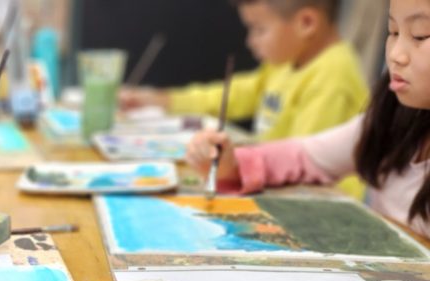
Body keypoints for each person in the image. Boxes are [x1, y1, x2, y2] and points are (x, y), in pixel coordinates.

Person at [184, 0, 430, 240]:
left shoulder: (333, 76)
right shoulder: (389, 117)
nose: (396, 55)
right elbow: (305, 157)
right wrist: (234, 164)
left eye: (420, 35)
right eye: (393, 32)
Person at [121, 0, 368, 142]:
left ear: (306, 23)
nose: (250, 41)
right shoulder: (284, 63)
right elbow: (231, 96)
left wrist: (238, 159)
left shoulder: (333, 76)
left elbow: (306, 161)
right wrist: (162, 100)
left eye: (259, 29)